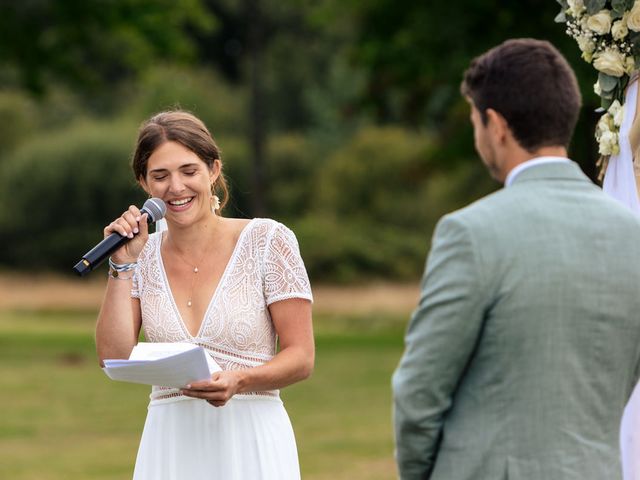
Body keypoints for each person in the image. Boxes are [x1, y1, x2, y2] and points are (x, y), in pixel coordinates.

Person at [392, 38, 640, 480]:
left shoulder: (470, 233)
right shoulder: (632, 234)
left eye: (474, 121)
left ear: (496, 125)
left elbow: (418, 392)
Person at [95, 110, 314, 480]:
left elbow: (301, 357)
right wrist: (121, 264)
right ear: (144, 184)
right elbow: (113, 357)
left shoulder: (268, 240)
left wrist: (240, 379)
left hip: (251, 438)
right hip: (169, 443)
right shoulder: (140, 254)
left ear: (213, 170)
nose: (175, 187)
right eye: (160, 176)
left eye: (189, 171)